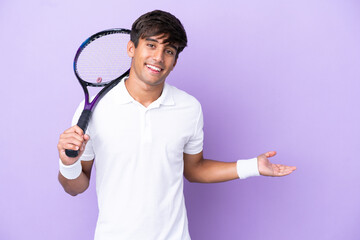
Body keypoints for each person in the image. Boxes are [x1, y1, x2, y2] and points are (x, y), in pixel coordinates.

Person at [57, 10, 296, 240]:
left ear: (175, 61)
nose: (158, 57)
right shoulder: (93, 110)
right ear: (131, 48)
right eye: (151, 45)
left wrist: (253, 166)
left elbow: (194, 169)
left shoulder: (189, 108)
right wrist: (68, 164)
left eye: (168, 50)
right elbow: (75, 187)